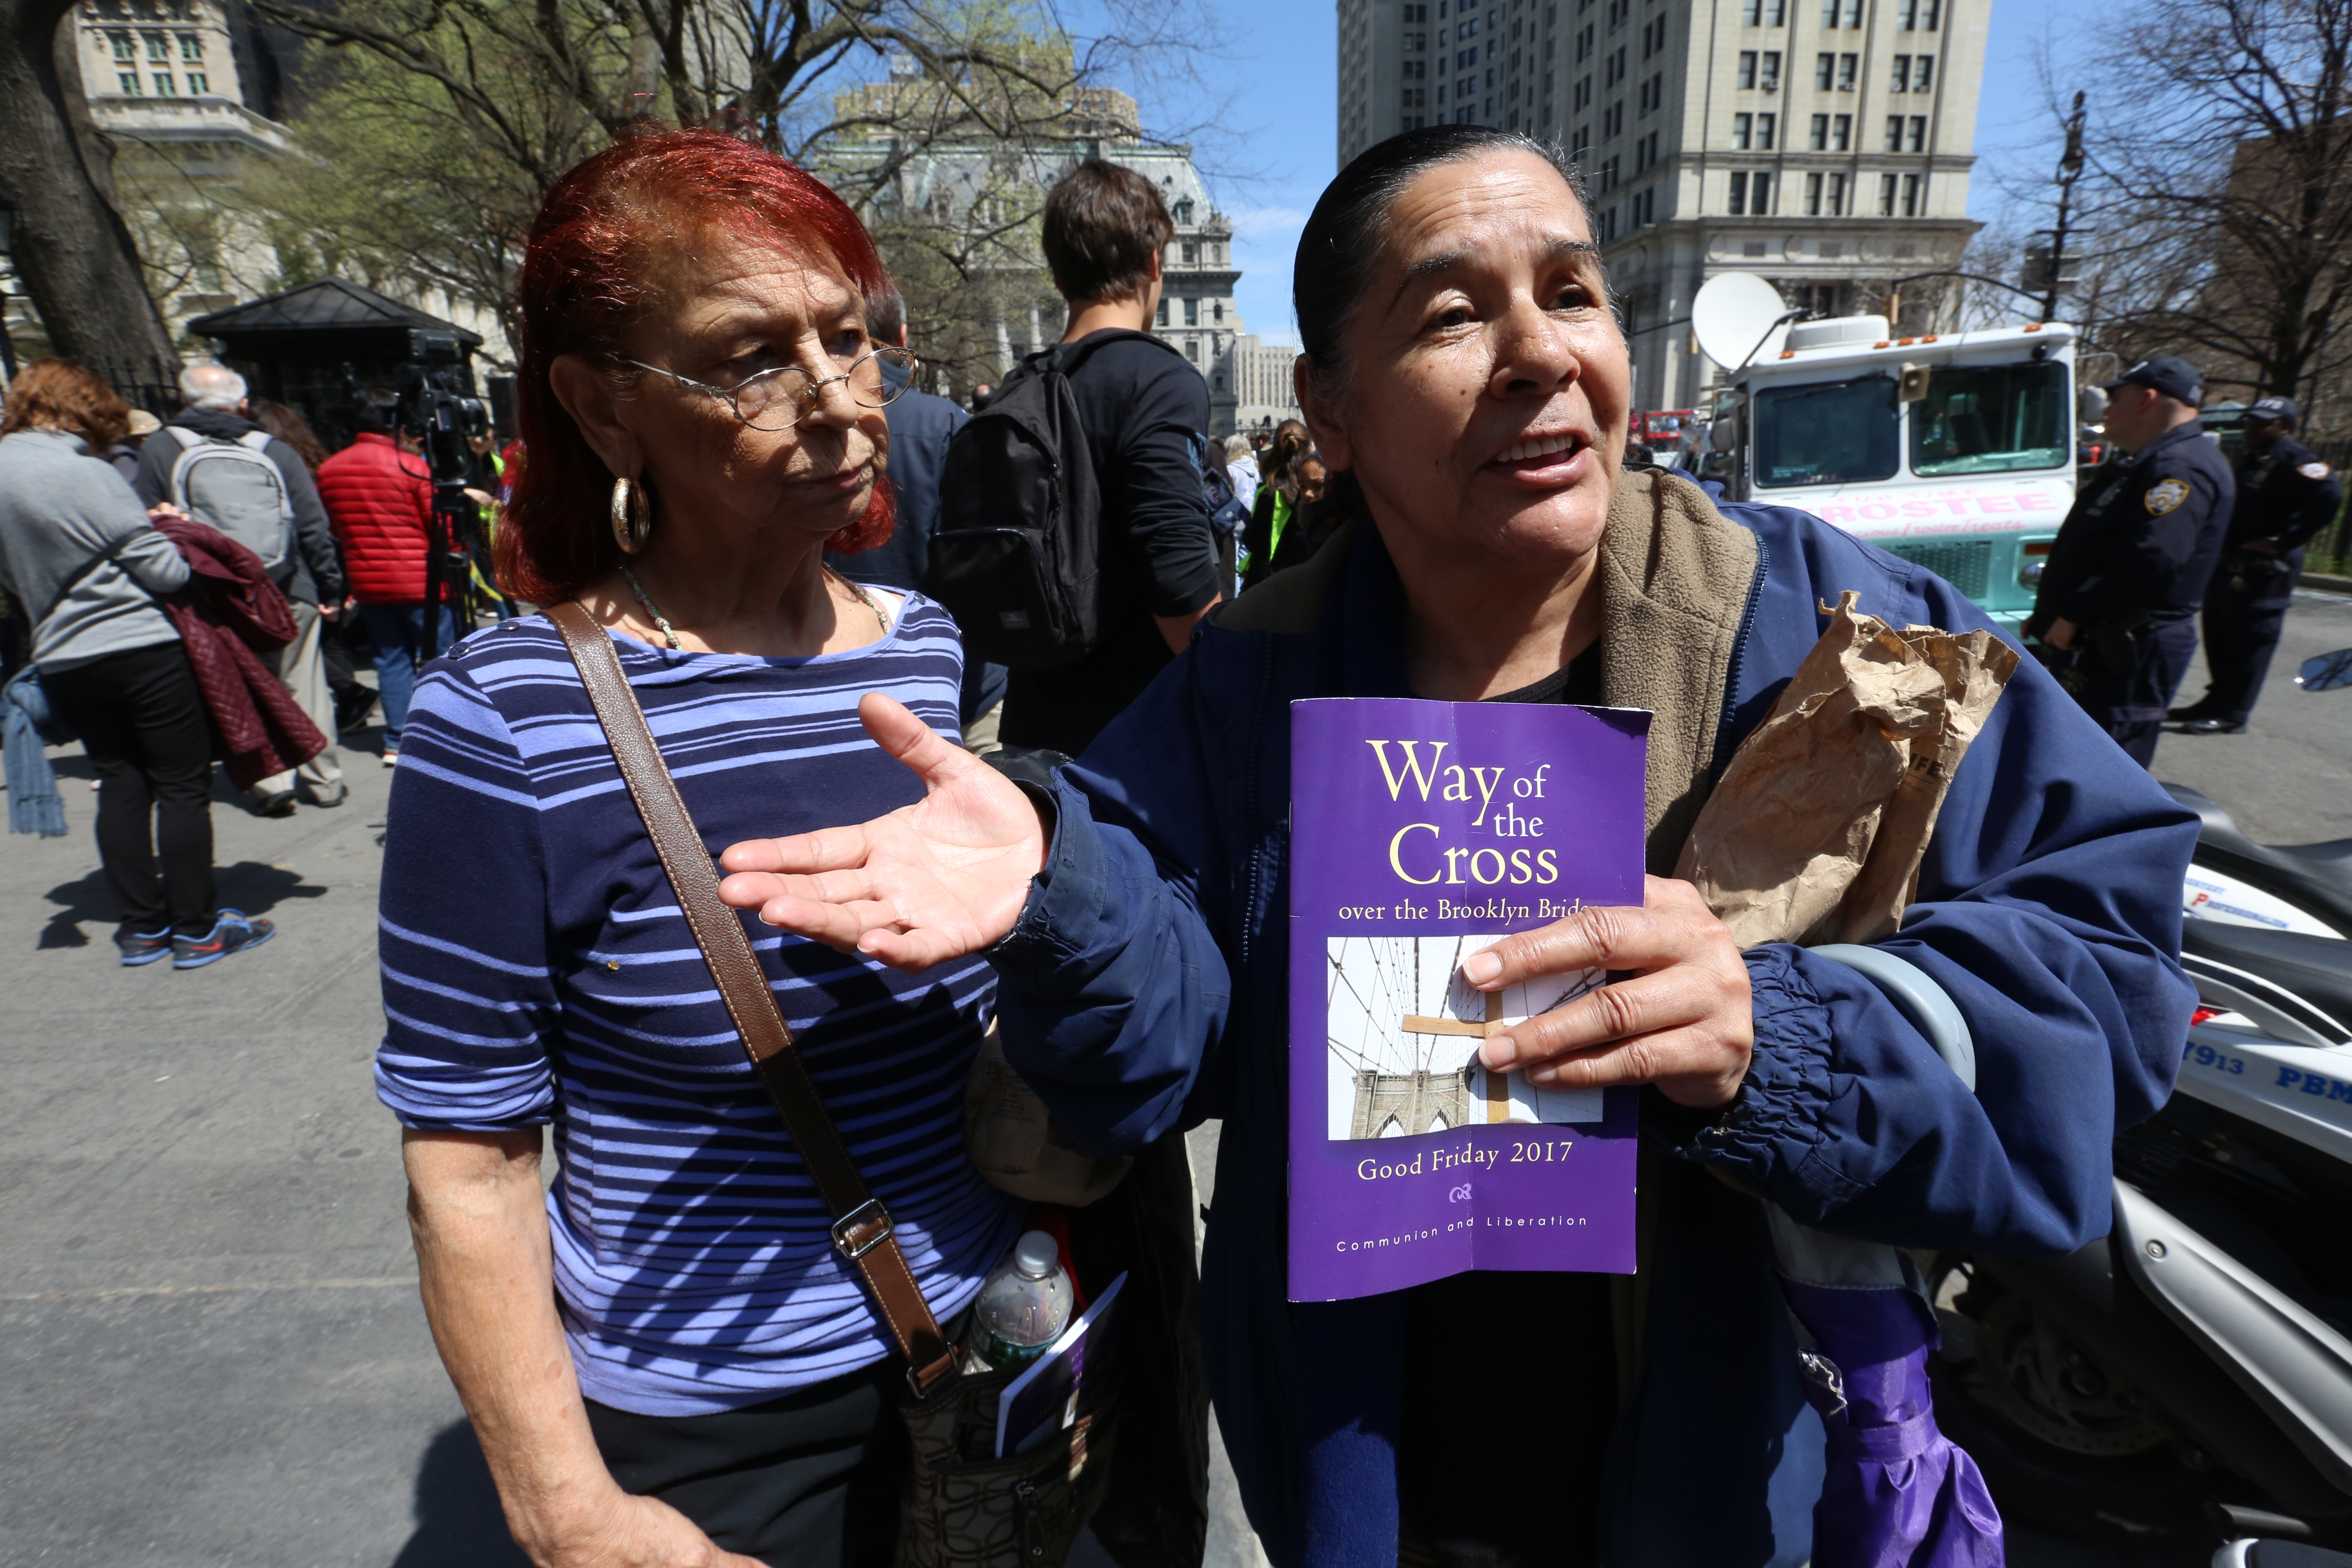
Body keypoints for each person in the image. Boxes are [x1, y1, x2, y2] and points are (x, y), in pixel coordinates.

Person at [714, 126, 2199, 1567]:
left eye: (1570, 292)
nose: (1543, 353)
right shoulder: (1247, 683)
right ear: (1333, 408)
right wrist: (1062, 884)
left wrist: (1788, 1032)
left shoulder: (1832, 645)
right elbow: (1148, 1059)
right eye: (1450, 313)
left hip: (1732, 1474)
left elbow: (2109, 980)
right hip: (1368, 1470)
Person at [370, 126, 1029, 1568]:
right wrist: (570, 1515)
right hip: (718, 1433)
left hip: (979, 1346)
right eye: (750, 357)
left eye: (851, 341)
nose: (840, 403)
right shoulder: (506, 720)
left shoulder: (920, 651)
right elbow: (469, 1159)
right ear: (605, 411)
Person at [0, 359, 274, 968]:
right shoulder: (86, 473)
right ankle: (199, 929)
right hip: (140, 645)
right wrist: (166, 526)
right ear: (81, 410)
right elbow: (167, 571)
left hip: (62, 654)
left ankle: (142, 928)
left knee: (119, 783)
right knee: (181, 787)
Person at [995, 157, 1224, 757]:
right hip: (1136, 738)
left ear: (1058, 274)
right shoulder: (1160, 380)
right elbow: (1178, 581)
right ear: (1154, 263)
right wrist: (1237, 680)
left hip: (1029, 727)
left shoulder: (1017, 387)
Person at [134, 363, 347, 809]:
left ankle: (272, 784)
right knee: (305, 684)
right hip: (288, 586)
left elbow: (144, 522)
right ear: (243, 403)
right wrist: (330, 587)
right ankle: (324, 779)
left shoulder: (161, 449)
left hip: (212, 594)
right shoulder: (275, 449)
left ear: (182, 400)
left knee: (246, 688)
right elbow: (313, 527)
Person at [822, 283, 1005, 750]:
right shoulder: (943, 424)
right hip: (956, 691)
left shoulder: (792, 424)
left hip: (836, 690)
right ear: (901, 334)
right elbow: (985, 570)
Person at [2025, 355, 2232, 768]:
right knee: (2066, 757)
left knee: (2102, 770)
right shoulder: (2144, 464)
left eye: (2116, 397)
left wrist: (2076, 614)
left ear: (2147, 399)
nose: (2107, 408)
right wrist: (2053, 611)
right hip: (2094, 637)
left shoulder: (2180, 468)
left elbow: (2155, 557)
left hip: (2123, 642)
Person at [2171, 394, 2345, 734]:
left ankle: (2233, 713)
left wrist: (2285, 541)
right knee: (2220, 635)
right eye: (2251, 421)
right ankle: (2214, 700)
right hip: (2230, 562)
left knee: (2250, 641)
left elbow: (2330, 494)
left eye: (2263, 423)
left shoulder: (2298, 461)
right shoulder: (2252, 459)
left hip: (2262, 570)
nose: (2252, 428)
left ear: (2286, 429)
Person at [316, 403, 448, 766]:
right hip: (422, 579)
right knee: (444, 659)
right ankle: (452, 734)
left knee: (390, 661)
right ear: (397, 429)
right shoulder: (410, 466)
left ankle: (397, 741)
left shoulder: (330, 471)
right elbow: (439, 524)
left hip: (368, 581)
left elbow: (331, 527)